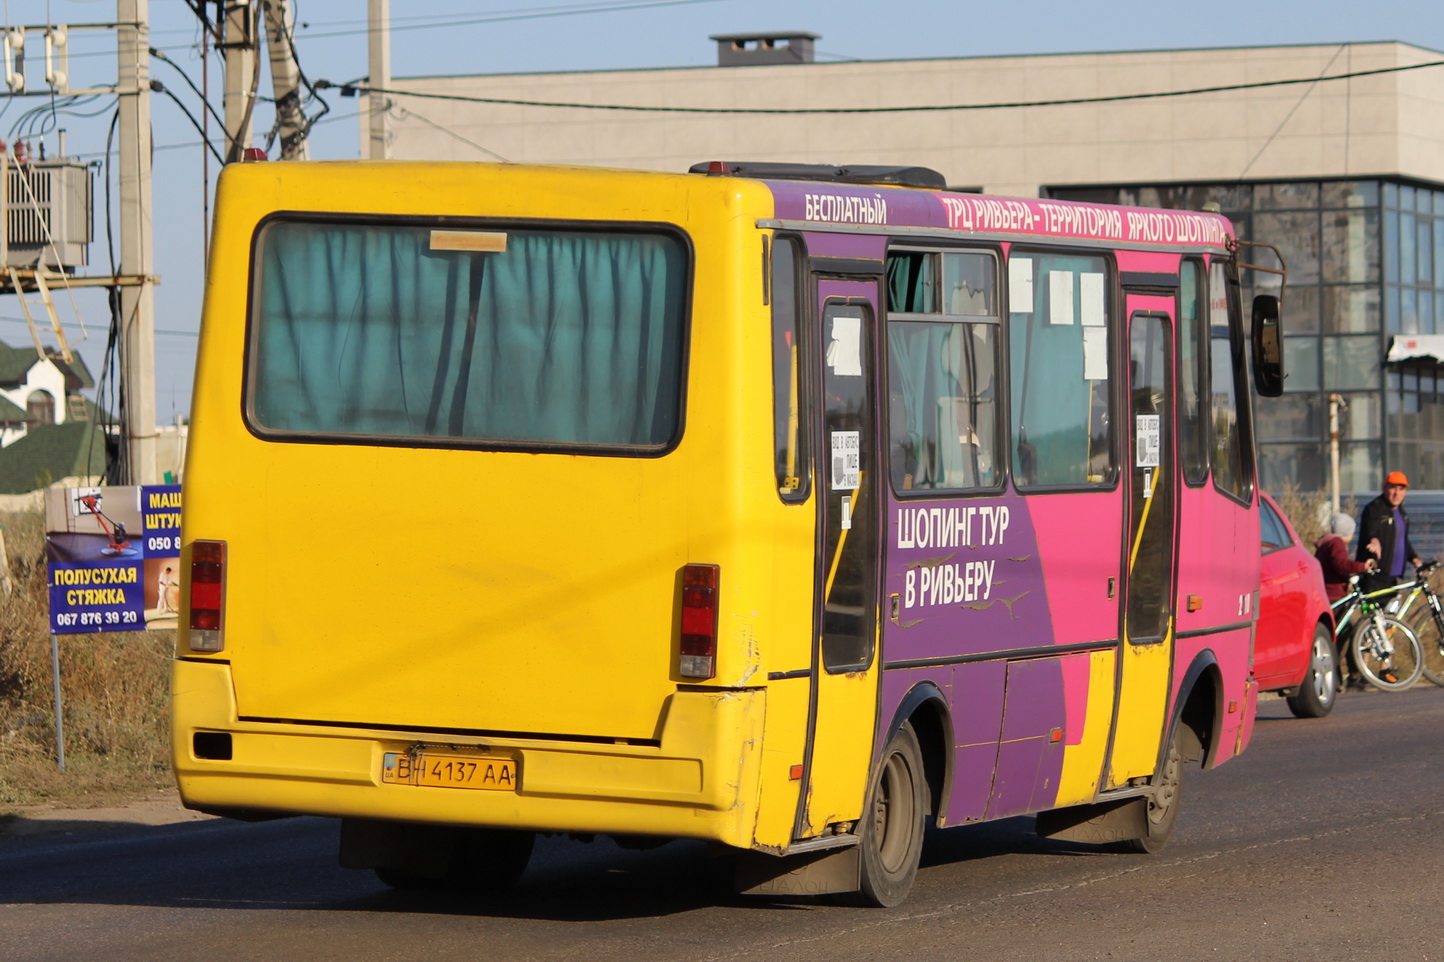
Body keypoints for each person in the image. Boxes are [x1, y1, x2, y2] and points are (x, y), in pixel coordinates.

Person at [1356, 470, 1422, 596]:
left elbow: (1402, 540)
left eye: (1401, 489)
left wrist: (1414, 558)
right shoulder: (1374, 508)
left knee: (1391, 615)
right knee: (1375, 614)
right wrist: (1374, 541)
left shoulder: (1401, 513)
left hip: (1394, 577)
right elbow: (1371, 530)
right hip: (1376, 576)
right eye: (1393, 488)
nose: (1397, 493)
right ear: (1384, 487)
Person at [1314, 513, 1375, 602]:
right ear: (1346, 533)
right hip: (1332, 593)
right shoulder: (1336, 543)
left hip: (1324, 589)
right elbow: (1341, 564)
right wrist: (1363, 566)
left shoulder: (1327, 542)